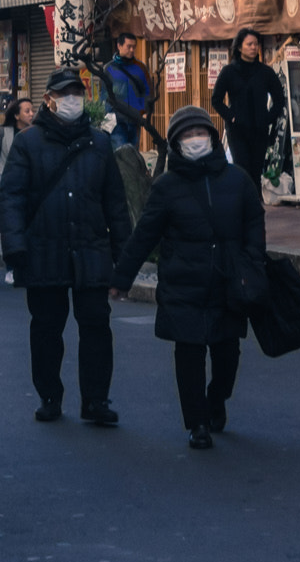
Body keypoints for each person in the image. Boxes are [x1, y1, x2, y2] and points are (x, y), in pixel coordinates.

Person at [110, 106, 266, 449]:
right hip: (183, 282)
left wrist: (252, 263)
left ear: (211, 137)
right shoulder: (166, 186)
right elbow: (145, 235)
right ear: (177, 142)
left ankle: (217, 399)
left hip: (228, 282)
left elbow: (254, 224)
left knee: (228, 353)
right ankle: (196, 423)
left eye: (200, 133)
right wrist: (122, 277)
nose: (195, 140)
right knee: (189, 353)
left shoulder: (238, 180)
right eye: (187, 135)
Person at [0, 67, 130, 427]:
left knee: (96, 327)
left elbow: (116, 205)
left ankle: (96, 400)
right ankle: (49, 396)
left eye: (76, 93)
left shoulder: (99, 143)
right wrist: (15, 247)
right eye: (64, 93)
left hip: (90, 250)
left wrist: (125, 259)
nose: (72, 99)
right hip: (44, 250)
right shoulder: (28, 143)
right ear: (48, 100)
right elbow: (11, 198)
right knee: (46, 329)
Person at [211, 27, 283, 191]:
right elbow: (216, 100)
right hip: (237, 129)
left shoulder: (265, 72)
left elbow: (279, 99)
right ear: (239, 47)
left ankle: (256, 208)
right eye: (249, 44)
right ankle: (243, 207)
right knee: (242, 169)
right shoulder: (229, 71)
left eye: (255, 44)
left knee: (256, 171)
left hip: (259, 129)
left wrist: (268, 118)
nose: (253, 47)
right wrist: (231, 117)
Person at [0, 96, 34, 283]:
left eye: (32, 110)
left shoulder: (36, 134)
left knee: (27, 227)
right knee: (9, 228)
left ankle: (24, 266)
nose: (31, 114)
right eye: (27, 111)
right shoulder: (2, 133)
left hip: (29, 187)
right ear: (16, 115)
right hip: (4, 187)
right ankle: (11, 268)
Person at [101, 32, 156, 149]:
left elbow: (148, 92)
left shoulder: (141, 68)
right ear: (119, 46)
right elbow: (103, 95)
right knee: (121, 154)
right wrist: (107, 116)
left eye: (134, 47)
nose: (132, 50)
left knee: (134, 154)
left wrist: (146, 112)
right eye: (128, 46)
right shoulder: (108, 69)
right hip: (116, 122)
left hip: (135, 120)